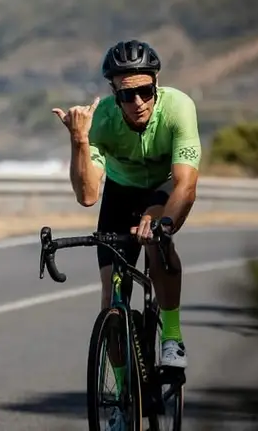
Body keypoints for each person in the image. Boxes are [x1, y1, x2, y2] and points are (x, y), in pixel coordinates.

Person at [51, 39, 201, 429]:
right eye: (127, 93)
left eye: (145, 90)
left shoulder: (178, 108)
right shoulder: (101, 121)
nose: (137, 101)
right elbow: (87, 195)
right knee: (110, 297)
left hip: (163, 189)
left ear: (156, 85)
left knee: (155, 238)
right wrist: (79, 139)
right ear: (114, 93)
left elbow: (186, 186)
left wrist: (165, 225)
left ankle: (171, 335)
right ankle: (120, 396)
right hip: (119, 194)